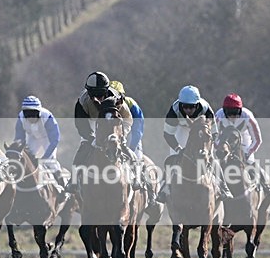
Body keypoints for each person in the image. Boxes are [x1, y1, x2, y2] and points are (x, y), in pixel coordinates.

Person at [156, 84, 232, 203]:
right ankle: (164, 188)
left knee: (212, 159)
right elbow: (168, 134)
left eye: (191, 107)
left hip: (201, 131)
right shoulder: (174, 111)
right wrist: (178, 149)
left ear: (197, 105)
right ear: (180, 104)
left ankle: (223, 187)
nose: (188, 110)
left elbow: (214, 133)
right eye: (185, 106)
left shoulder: (206, 109)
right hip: (181, 129)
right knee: (173, 158)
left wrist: (208, 149)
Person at [67, 71, 134, 194]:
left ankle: (137, 177)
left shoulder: (117, 99)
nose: (97, 98)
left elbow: (128, 119)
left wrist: (121, 135)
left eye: (100, 94)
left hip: (113, 124)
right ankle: (74, 180)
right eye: (93, 94)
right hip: (91, 123)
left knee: (124, 147)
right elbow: (81, 125)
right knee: (84, 148)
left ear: (106, 91)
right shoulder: (82, 102)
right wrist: (91, 138)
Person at [214, 93, 270, 198]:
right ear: (224, 111)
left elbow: (257, 140)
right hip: (225, 143)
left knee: (250, 162)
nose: (232, 116)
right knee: (215, 162)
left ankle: (266, 185)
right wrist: (220, 147)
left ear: (240, 111)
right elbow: (213, 136)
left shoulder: (248, 116)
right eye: (229, 113)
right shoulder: (218, 116)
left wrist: (248, 152)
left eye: (235, 113)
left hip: (244, 142)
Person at [109, 79, 156, 207]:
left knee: (138, 160)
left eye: (116, 98)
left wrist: (130, 147)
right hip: (114, 138)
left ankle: (151, 196)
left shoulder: (131, 105)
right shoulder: (106, 105)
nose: (114, 101)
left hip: (131, 136)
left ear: (122, 97)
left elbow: (138, 130)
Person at [13, 95, 69, 197]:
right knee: (29, 160)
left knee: (50, 162)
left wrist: (46, 156)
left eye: (33, 114)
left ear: (39, 112)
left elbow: (55, 139)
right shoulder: (21, 117)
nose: (30, 117)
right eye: (28, 114)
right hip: (33, 138)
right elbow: (19, 138)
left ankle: (64, 187)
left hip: (48, 139)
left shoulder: (47, 116)